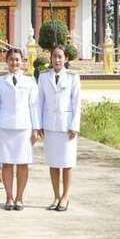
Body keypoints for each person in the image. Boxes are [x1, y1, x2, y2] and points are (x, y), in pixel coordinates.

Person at [0, 47, 40, 211]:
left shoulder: (29, 81)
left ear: (22, 61)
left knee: (23, 163)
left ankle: (19, 198)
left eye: (17, 59)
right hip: (4, 126)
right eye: (11, 59)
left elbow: (34, 106)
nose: (14, 62)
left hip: (24, 127)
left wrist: (36, 128)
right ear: (7, 61)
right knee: (7, 163)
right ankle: (9, 197)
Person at [38, 46, 81, 212]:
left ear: (66, 59)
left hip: (66, 126)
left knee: (67, 163)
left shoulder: (72, 77)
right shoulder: (43, 77)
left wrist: (74, 125)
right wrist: (39, 125)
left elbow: (76, 103)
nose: (57, 60)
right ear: (51, 58)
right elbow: (39, 102)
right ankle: (56, 196)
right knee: (54, 163)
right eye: (54, 56)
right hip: (50, 125)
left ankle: (65, 196)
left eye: (60, 57)